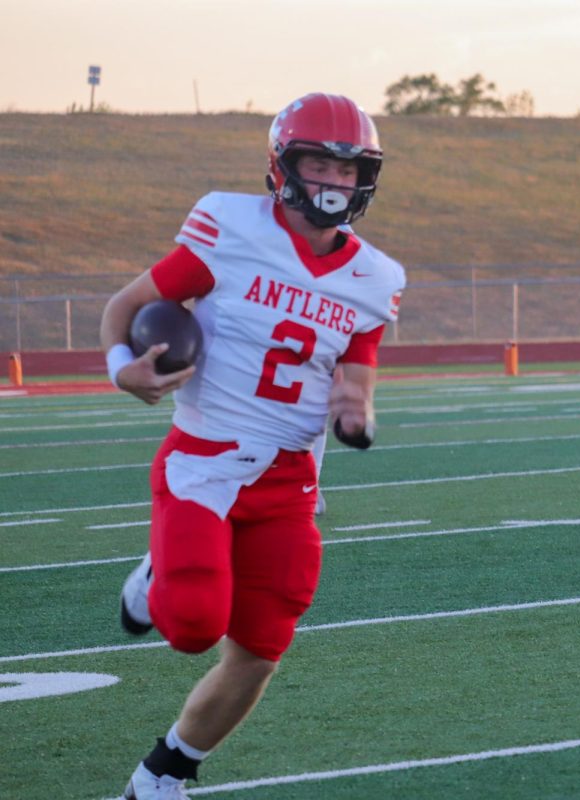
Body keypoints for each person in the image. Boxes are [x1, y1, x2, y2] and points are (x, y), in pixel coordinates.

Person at [99, 92, 405, 798]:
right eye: (319, 164)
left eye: (348, 169)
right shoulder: (230, 228)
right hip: (203, 463)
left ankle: (165, 773)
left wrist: (356, 415)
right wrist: (125, 373)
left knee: (262, 649)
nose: (335, 182)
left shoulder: (375, 280)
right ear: (283, 166)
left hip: (289, 479)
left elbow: (357, 382)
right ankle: (151, 580)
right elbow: (124, 307)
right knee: (194, 627)